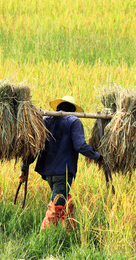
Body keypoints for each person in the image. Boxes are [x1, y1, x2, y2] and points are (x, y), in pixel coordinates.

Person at [19, 96, 103, 230]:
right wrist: (99, 157)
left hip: (47, 172)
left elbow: (34, 147)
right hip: (63, 171)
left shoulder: (46, 121)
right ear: (73, 110)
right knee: (57, 204)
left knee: (64, 200)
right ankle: (44, 236)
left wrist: (24, 168)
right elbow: (80, 146)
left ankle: (70, 232)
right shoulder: (74, 121)